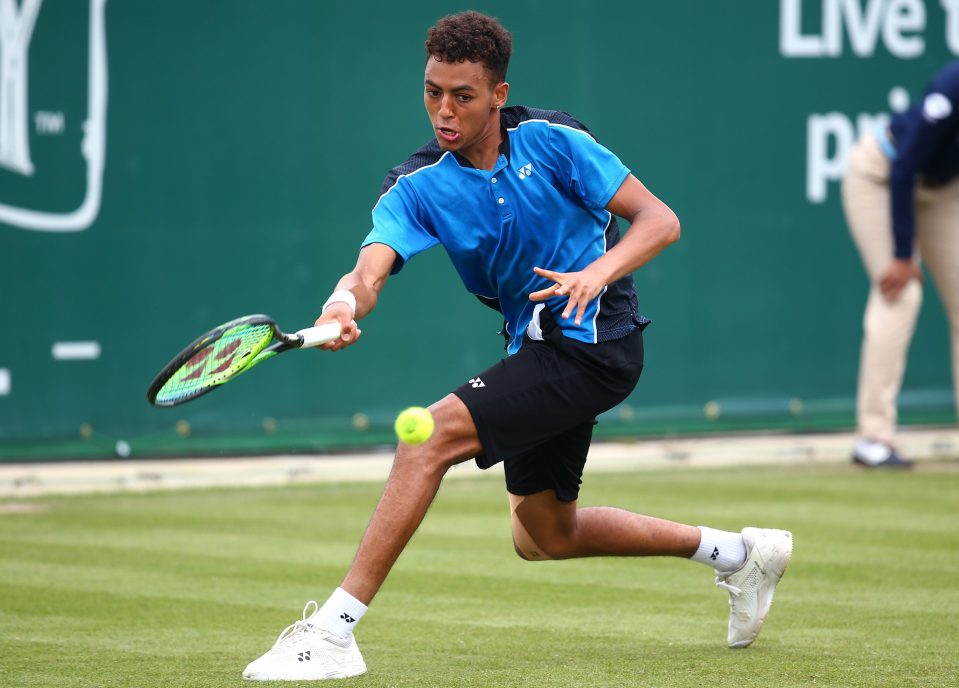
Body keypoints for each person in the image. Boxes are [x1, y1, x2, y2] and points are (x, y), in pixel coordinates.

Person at [242, 12, 793, 681]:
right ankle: (739, 556)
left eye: (462, 95)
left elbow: (659, 220)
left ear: (498, 94)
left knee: (427, 438)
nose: (443, 111)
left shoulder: (555, 142)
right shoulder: (416, 185)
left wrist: (596, 272)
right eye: (432, 92)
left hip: (595, 338)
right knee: (542, 536)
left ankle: (332, 634)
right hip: (531, 344)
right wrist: (342, 303)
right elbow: (368, 268)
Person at [842, 61, 959, 469]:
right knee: (901, 292)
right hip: (881, 174)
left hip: (942, 190)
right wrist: (903, 255)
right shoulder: (952, 84)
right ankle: (873, 440)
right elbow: (906, 165)